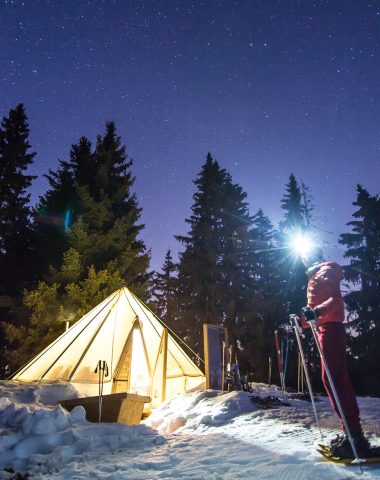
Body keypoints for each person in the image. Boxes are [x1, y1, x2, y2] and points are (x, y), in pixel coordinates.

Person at [300, 248, 370, 458]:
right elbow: (313, 311)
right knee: (330, 380)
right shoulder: (315, 276)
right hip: (324, 330)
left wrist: (316, 313)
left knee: (335, 379)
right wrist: (302, 319)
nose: (305, 258)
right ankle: (349, 433)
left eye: (307, 254)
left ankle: (355, 437)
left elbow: (335, 302)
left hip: (331, 330)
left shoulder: (326, 271)